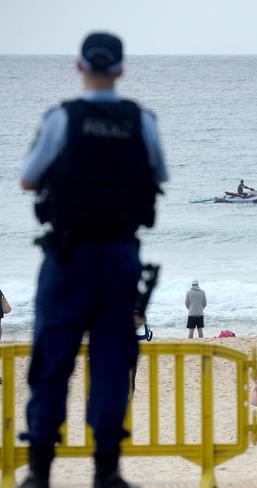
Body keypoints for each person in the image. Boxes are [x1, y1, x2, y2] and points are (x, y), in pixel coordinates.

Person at [18, 32, 167, 488]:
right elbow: (158, 174)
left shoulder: (62, 118)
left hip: (67, 259)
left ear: (79, 66)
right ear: (121, 69)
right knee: (110, 362)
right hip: (120, 256)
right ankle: (107, 471)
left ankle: (40, 472)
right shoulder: (141, 120)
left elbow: (28, 178)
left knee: (52, 361)